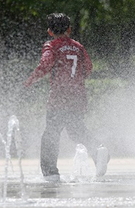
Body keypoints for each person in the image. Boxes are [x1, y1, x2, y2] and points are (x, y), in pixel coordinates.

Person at [24, 13, 109, 182]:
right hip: (78, 96)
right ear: (69, 29)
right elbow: (88, 68)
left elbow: (45, 64)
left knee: (51, 134)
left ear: (49, 31)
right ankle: (98, 149)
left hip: (59, 97)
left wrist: (30, 81)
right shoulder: (78, 47)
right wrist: (76, 81)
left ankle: (51, 174)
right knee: (76, 130)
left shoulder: (52, 46)